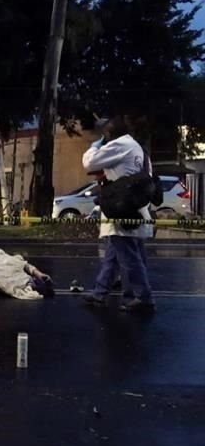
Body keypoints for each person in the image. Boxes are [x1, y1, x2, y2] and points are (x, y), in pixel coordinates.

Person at [81, 116, 154, 312]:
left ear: (109, 134)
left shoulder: (120, 145)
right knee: (115, 254)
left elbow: (89, 162)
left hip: (123, 208)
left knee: (129, 257)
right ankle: (100, 292)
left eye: (104, 134)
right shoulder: (136, 147)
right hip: (134, 208)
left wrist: (96, 145)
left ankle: (143, 297)